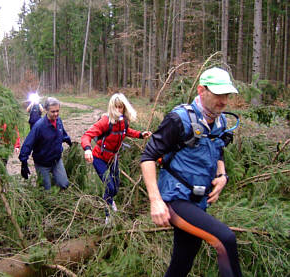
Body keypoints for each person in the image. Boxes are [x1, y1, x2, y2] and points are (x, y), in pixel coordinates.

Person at [140, 67, 242, 277]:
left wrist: (222, 176)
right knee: (225, 239)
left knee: (183, 261)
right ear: (201, 90)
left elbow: (218, 150)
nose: (223, 101)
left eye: (227, 95)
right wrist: (155, 200)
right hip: (175, 199)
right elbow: (148, 156)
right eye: (218, 94)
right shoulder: (179, 119)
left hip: (199, 200)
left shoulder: (220, 120)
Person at [81, 93, 152, 224]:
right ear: (111, 107)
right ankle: (108, 216)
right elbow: (87, 135)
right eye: (116, 107)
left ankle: (110, 200)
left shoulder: (124, 121)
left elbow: (127, 131)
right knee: (110, 187)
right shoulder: (105, 122)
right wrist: (87, 149)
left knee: (116, 187)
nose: (119, 110)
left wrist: (141, 135)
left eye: (121, 107)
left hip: (113, 158)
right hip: (99, 158)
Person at [19, 97, 72, 191]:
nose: (56, 114)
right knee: (46, 190)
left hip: (56, 160)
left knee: (64, 184)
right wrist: (23, 162)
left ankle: (55, 177)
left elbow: (62, 133)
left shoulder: (58, 121)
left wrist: (69, 141)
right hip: (42, 163)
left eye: (57, 111)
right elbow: (28, 143)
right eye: (53, 111)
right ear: (46, 110)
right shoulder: (39, 126)